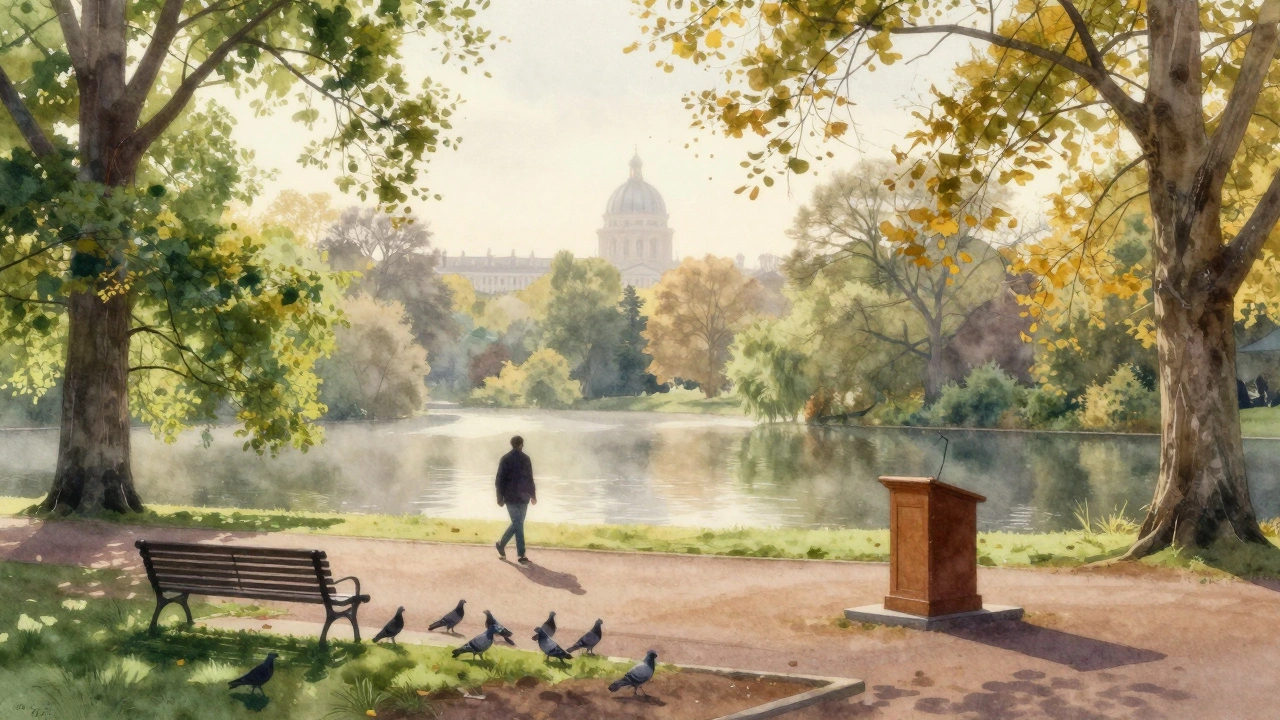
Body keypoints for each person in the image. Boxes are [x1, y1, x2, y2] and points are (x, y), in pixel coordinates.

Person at [495, 435, 536, 563]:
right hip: (523, 497)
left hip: (510, 497)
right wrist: (533, 495)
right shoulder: (526, 459)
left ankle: (502, 544)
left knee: (518, 523)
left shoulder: (505, 459)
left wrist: (499, 497)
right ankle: (521, 554)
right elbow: (530, 479)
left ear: (512, 444)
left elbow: (499, 481)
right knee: (518, 523)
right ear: (521, 444)